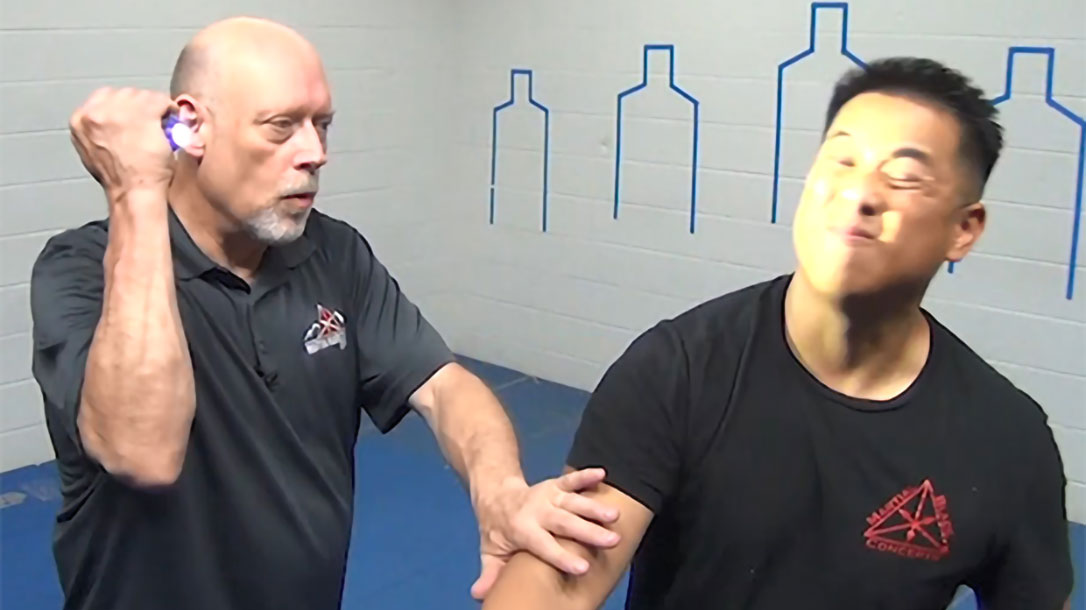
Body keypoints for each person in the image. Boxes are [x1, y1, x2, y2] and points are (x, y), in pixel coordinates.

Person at [29, 16, 623, 610]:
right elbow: (142, 453)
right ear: (190, 128)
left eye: (322, 125)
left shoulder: (334, 254)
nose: (314, 154)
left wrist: (501, 492)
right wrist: (135, 190)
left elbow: (445, 388)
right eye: (281, 127)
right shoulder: (81, 269)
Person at [480, 57, 1074, 610]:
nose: (860, 194)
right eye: (841, 161)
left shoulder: (1009, 443)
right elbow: (559, 580)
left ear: (963, 230)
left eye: (904, 178)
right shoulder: (677, 371)